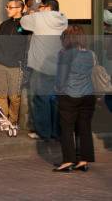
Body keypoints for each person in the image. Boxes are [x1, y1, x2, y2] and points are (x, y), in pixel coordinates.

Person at [20, 0, 68, 140]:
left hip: (41, 66)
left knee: (41, 99)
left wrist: (32, 12)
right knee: (55, 100)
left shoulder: (39, 17)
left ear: (47, 7)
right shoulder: (63, 19)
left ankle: (43, 132)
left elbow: (23, 22)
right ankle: (56, 131)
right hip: (58, 66)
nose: (39, 8)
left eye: (40, 6)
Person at [53, 25, 96, 172]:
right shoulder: (90, 53)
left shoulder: (65, 54)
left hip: (69, 95)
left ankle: (68, 161)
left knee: (66, 128)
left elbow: (61, 78)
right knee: (84, 128)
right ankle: (83, 160)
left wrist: (58, 90)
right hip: (88, 94)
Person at [0, 0, 29, 127]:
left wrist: (22, 62)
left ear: (19, 8)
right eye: (7, 6)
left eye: (10, 7)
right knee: (1, 95)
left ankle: (13, 120)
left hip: (16, 66)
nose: (7, 9)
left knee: (14, 97)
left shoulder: (26, 25)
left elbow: (26, 44)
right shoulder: (4, 25)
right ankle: (4, 120)